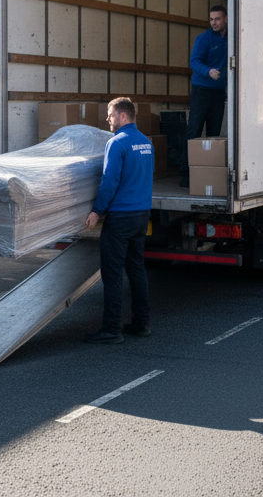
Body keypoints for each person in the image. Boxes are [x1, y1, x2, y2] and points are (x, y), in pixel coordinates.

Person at [84, 97, 155, 344]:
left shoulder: (117, 143)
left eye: (110, 115)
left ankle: (111, 329)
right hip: (141, 216)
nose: (108, 119)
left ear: (122, 116)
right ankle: (141, 322)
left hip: (121, 217)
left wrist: (96, 210)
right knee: (136, 268)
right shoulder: (146, 143)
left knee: (112, 274)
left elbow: (109, 181)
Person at [181, 5, 228, 187]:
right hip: (201, 90)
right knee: (194, 132)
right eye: (211, 19)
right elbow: (194, 61)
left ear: (225, 19)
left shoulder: (231, 39)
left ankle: (210, 174)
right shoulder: (204, 38)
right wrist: (208, 71)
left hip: (218, 92)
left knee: (214, 135)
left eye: (217, 19)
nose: (213, 23)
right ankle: (185, 175)